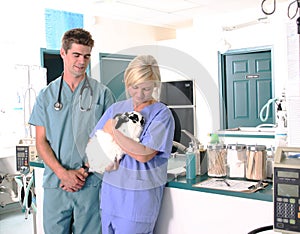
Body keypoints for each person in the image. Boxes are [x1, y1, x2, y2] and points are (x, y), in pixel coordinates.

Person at [29, 28, 115, 234]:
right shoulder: (46, 96)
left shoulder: (103, 94)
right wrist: (62, 173)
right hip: (56, 184)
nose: (81, 61)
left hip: (90, 183)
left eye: (86, 56)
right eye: (76, 55)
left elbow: (109, 140)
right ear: (63, 53)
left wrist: (82, 173)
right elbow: (40, 141)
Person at [90, 55, 175, 234]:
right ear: (126, 82)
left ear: (155, 85)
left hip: (138, 200)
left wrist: (114, 130)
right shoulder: (116, 109)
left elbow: (143, 154)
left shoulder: (161, 114)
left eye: (146, 88)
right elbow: (94, 148)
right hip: (110, 197)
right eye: (134, 87)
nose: (139, 94)